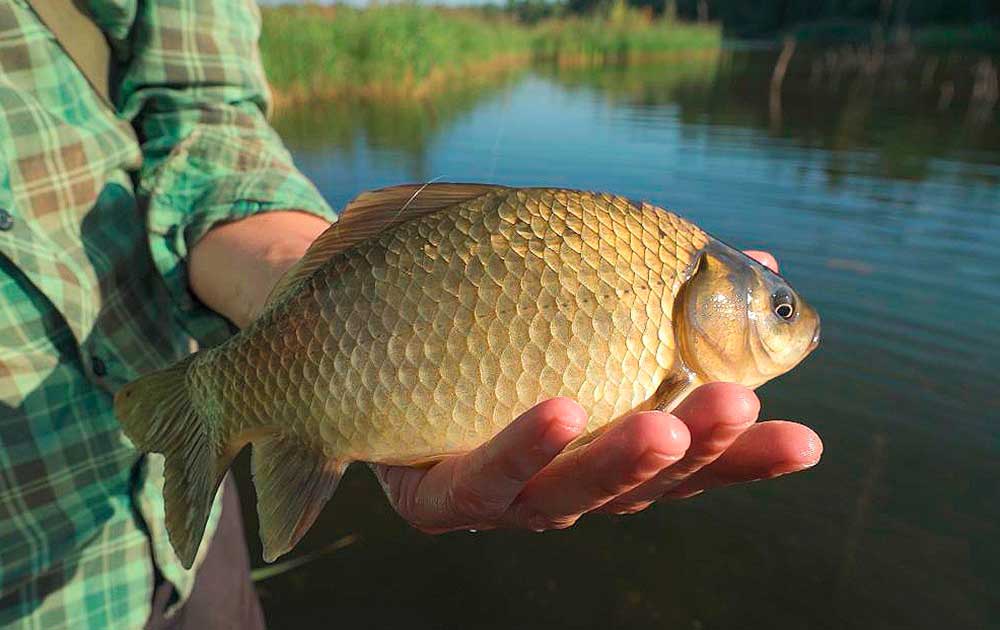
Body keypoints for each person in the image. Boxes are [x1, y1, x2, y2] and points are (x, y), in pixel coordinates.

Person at [0, 1, 823, 628]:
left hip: (194, 564)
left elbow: (203, 117)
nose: (788, 323)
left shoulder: (670, 303)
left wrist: (292, 292)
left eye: (779, 310)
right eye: (778, 310)